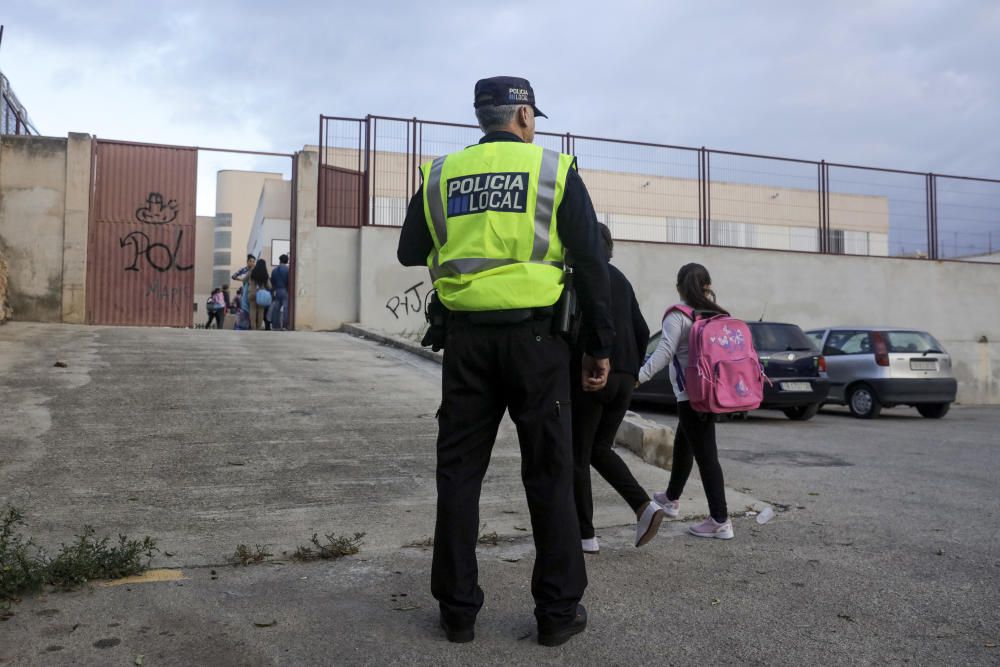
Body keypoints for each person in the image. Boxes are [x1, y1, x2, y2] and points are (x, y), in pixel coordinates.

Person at [397, 76, 614, 647]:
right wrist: (601, 347)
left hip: (467, 345)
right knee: (550, 473)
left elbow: (407, 250)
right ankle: (557, 614)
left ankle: (458, 612)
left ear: (481, 118)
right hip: (539, 344)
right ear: (521, 115)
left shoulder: (441, 174)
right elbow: (592, 263)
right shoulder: (554, 169)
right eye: (533, 116)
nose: (534, 124)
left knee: (459, 475)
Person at [572, 224, 664, 555]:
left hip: (595, 372)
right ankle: (644, 506)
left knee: (577, 455)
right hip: (624, 376)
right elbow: (641, 328)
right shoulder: (621, 279)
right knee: (600, 449)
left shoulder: (580, 276)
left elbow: (575, 327)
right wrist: (630, 370)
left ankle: (584, 535)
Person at [636, 263, 734, 540]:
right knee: (685, 444)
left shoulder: (677, 315)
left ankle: (720, 520)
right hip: (713, 393)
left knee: (707, 458)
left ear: (679, 286)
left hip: (692, 396)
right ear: (708, 285)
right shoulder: (717, 315)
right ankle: (671, 497)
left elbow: (664, 351)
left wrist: (640, 376)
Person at [247, 259, 271, 331]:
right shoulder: (265, 274)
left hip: (252, 293)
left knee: (252, 310)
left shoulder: (252, 271)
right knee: (261, 311)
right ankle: (258, 327)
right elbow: (269, 286)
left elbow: (245, 279)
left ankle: (253, 328)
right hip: (262, 295)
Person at [270, 253, 290, 330]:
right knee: (286, 308)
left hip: (277, 291)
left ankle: (275, 325)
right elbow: (289, 281)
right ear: (287, 261)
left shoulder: (274, 270)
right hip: (285, 290)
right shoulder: (288, 270)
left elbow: (272, 282)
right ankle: (285, 325)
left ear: (280, 260)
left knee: (276, 308)